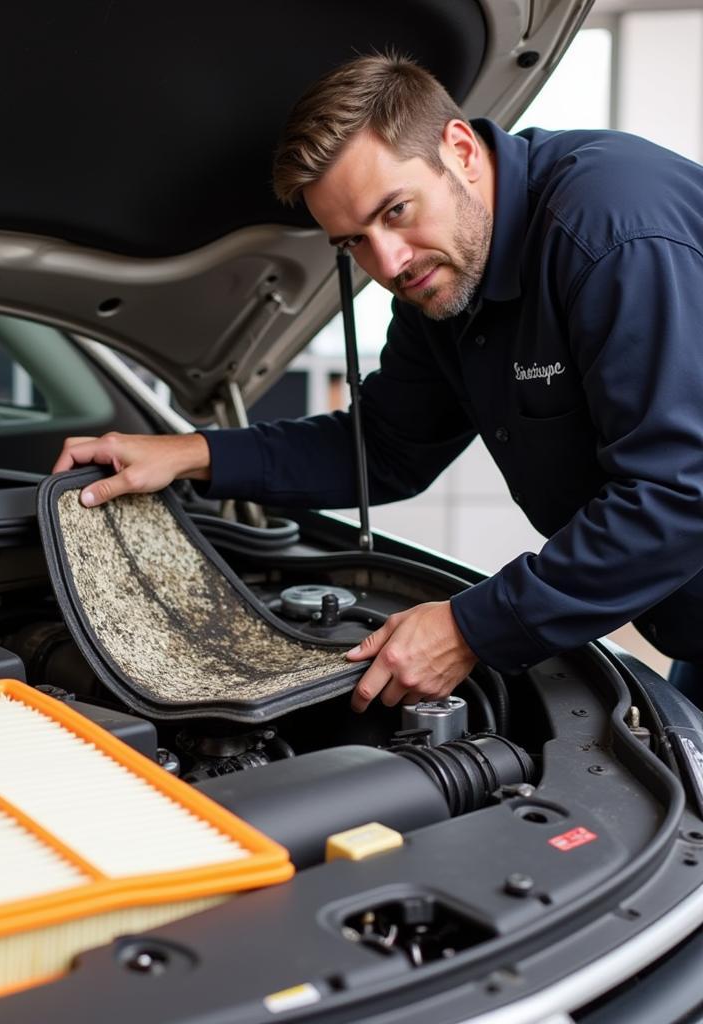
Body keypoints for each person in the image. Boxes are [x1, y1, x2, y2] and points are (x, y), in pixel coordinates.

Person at [53, 53, 703, 713]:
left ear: (459, 149)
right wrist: (193, 454)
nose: (388, 263)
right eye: (354, 242)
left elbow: (679, 495)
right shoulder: (441, 278)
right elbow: (387, 448)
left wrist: (471, 627)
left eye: (396, 211)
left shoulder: (614, 234)